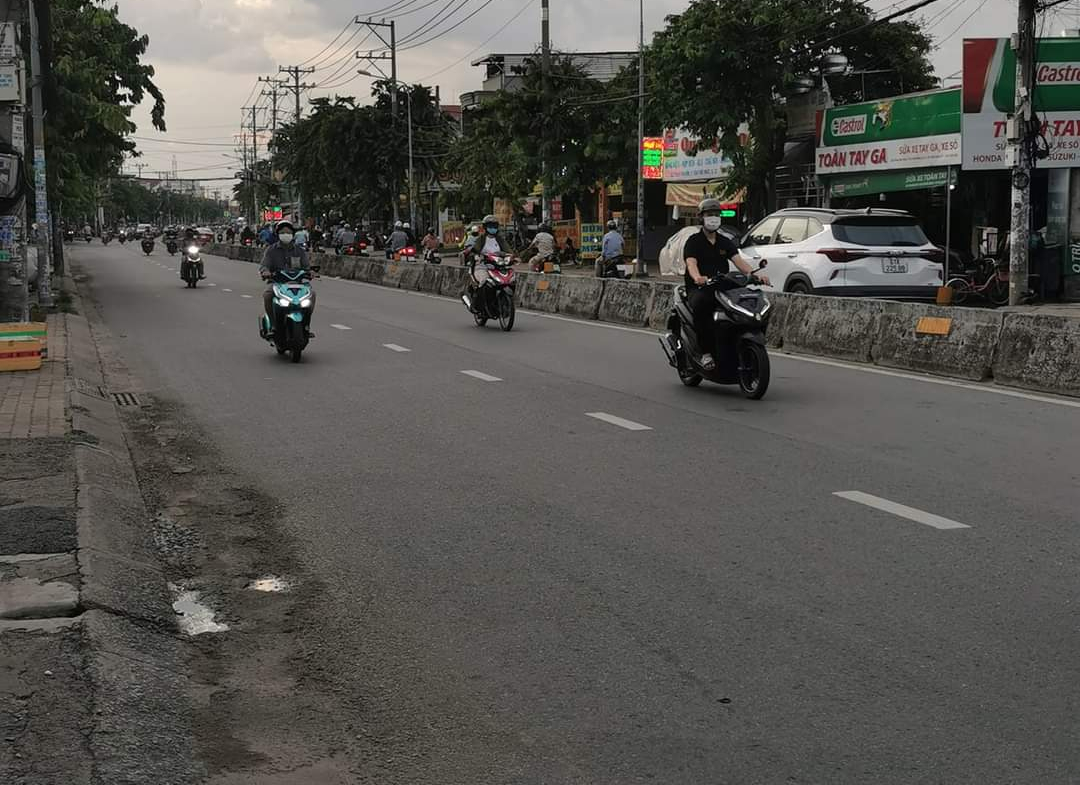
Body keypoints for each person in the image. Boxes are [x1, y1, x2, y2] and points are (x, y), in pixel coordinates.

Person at [683, 198, 769, 371]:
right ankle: (705, 353)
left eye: (716, 214)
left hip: (723, 286)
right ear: (701, 217)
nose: (713, 218)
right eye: (709, 214)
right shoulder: (693, 241)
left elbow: (739, 262)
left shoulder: (724, 241)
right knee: (702, 306)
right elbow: (691, 263)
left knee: (750, 302)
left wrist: (755, 275)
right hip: (700, 288)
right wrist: (698, 277)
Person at [259, 221, 314, 334]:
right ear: (278, 234)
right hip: (277, 283)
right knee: (268, 296)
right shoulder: (271, 250)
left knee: (312, 295)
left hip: (297, 283)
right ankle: (273, 325)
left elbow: (306, 266)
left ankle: (306, 324)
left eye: (288, 232)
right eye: (283, 232)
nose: (286, 234)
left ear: (292, 234)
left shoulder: (299, 251)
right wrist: (266, 272)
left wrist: (310, 272)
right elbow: (264, 265)